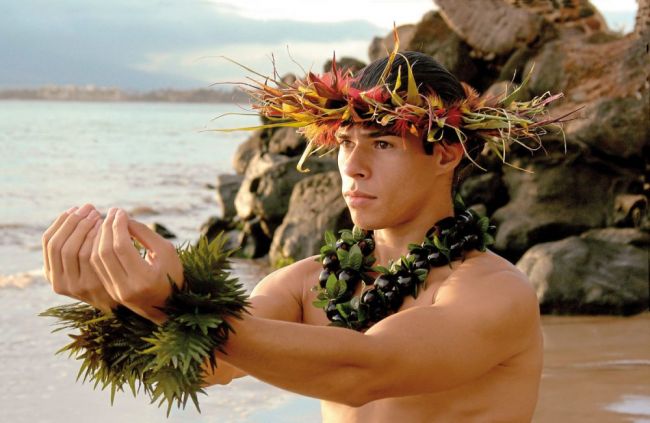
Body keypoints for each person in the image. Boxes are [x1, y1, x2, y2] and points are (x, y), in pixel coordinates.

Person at [42, 49, 550, 422]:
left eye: (382, 144)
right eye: (346, 142)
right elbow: (208, 365)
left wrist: (173, 303)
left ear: (445, 154)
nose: (353, 167)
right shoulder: (307, 283)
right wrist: (117, 301)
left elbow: (363, 372)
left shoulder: (494, 291)